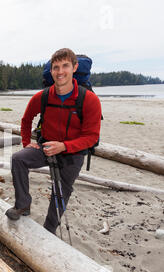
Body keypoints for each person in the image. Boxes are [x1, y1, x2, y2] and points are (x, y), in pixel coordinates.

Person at [5, 48, 102, 235]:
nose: (60, 71)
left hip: (73, 152)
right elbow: (26, 120)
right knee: (18, 159)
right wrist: (27, 143)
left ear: (74, 67)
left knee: (60, 192)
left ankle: (49, 230)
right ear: (51, 71)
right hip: (47, 145)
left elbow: (92, 137)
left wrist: (65, 146)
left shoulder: (89, 100)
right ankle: (23, 205)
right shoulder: (43, 96)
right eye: (56, 67)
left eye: (65, 66)